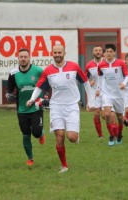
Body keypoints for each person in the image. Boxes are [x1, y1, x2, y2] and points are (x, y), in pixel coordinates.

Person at [26, 44, 94, 173]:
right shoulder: (48, 71)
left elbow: (85, 82)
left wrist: (90, 101)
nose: (57, 55)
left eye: (59, 52)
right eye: (55, 52)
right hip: (56, 106)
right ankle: (64, 165)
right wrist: (32, 99)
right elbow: (39, 86)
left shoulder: (74, 67)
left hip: (72, 105)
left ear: (64, 53)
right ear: (53, 53)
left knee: (71, 137)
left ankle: (76, 135)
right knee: (59, 136)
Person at [5, 48, 46, 167]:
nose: (23, 59)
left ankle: (41, 133)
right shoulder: (13, 73)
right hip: (22, 109)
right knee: (26, 134)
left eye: (25, 57)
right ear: (18, 58)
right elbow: (9, 89)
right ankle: (30, 159)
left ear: (29, 58)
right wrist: (8, 95)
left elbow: (45, 84)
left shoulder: (38, 70)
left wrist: (46, 96)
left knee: (36, 133)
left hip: (36, 106)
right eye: (21, 57)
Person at [96, 43, 128, 145]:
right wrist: (98, 89)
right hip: (107, 93)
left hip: (119, 94)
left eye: (111, 51)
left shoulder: (120, 63)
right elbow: (100, 78)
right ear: (104, 53)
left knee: (120, 118)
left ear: (114, 53)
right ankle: (111, 136)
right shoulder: (101, 65)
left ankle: (119, 134)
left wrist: (124, 83)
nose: (109, 53)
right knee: (107, 114)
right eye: (107, 52)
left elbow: (127, 76)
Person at [85, 45, 104, 139]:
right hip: (95, 91)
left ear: (102, 52)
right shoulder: (89, 65)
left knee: (105, 115)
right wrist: (89, 82)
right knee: (96, 113)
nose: (98, 52)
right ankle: (100, 135)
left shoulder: (106, 63)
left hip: (105, 91)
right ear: (93, 52)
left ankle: (114, 132)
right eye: (96, 50)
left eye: (99, 50)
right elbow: (84, 80)